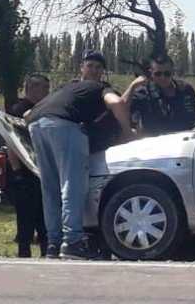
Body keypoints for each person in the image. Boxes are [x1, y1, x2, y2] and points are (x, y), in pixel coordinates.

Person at [26, 50, 134, 259]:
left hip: (37, 125)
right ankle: (73, 242)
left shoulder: (65, 88)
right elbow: (118, 103)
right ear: (82, 68)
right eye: (90, 65)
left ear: (102, 71)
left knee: (50, 188)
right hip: (65, 126)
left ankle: (52, 244)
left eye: (97, 67)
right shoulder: (101, 88)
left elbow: (27, 114)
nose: (93, 70)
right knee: (72, 185)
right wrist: (128, 133)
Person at [4, 74, 50, 258]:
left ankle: (46, 250)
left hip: (40, 170)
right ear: (32, 88)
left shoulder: (43, 108)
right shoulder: (18, 110)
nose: (47, 92)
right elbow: (12, 142)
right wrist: (16, 172)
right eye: (44, 88)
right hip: (23, 171)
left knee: (43, 214)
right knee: (26, 214)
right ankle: (24, 251)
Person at [123, 54, 195, 136]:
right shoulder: (144, 92)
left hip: (186, 140)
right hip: (157, 144)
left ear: (173, 72)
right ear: (151, 73)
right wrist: (132, 86)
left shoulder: (186, 89)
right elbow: (120, 110)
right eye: (158, 74)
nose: (162, 77)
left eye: (167, 74)